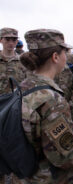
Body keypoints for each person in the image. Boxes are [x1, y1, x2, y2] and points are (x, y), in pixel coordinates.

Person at [13, 28, 73, 184]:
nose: (67, 57)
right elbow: (65, 158)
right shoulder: (51, 99)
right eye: (64, 53)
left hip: (23, 175)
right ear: (55, 57)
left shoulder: (21, 88)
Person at [0, 27, 28, 184]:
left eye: (14, 39)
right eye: (7, 39)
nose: (11, 42)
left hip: (16, 113)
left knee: (17, 152)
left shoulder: (23, 61)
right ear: (1, 40)